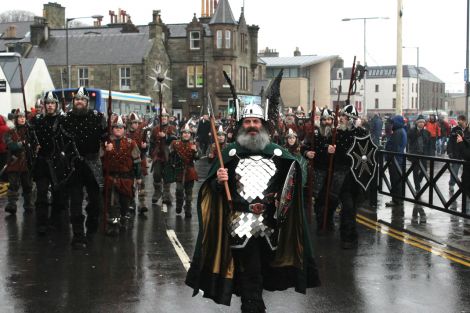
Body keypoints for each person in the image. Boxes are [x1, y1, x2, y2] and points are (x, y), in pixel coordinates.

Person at [185, 104, 320, 313]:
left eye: (255, 121)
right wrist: (219, 182)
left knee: (261, 273)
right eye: (247, 122)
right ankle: (253, 307)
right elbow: (212, 190)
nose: (252, 126)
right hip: (240, 224)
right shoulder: (230, 153)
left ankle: (251, 300)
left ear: (263, 125)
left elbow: (293, 180)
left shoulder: (277, 153)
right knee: (252, 274)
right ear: (241, 126)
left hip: (270, 226)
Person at [59, 87, 107, 249]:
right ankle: (78, 235)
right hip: (74, 165)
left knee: (95, 203)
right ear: (74, 102)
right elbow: (58, 140)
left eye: (83, 100)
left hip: (92, 163)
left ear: (87, 102)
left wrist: (107, 142)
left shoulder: (97, 117)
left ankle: (91, 229)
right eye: (77, 99)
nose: (79, 102)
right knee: (75, 202)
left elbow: (105, 135)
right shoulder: (65, 119)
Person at [31, 91, 67, 234]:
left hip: (58, 162)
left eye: (52, 103)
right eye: (48, 103)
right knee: (41, 194)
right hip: (42, 162)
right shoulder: (38, 120)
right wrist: (34, 144)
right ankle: (41, 223)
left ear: (56, 105)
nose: (50, 106)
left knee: (58, 194)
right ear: (44, 105)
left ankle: (56, 221)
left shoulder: (63, 120)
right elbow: (30, 135)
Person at [102, 115, 142, 236]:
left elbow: (137, 161)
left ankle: (124, 219)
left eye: (120, 127)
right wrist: (105, 151)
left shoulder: (131, 143)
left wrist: (138, 176)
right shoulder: (106, 143)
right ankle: (113, 225)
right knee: (113, 203)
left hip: (126, 178)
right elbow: (100, 160)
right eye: (115, 127)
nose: (118, 129)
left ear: (124, 129)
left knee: (125, 203)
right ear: (112, 129)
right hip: (112, 177)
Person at [4, 111, 35, 215]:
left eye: (23, 117)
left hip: (27, 162)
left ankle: (28, 205)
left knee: (27, 185)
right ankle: (12, 205)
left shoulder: (30, 130)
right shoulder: (10, 132)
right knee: (13, 185)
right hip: (14, 162)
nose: (22, 119)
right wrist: (20, 144)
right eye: (20, 117)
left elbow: (35, 143)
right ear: (16, 119)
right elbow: (10, 145)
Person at [168, 124, 201, 218]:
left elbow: (198, 157)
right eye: (184, 133)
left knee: (189, 192)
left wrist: (195, 151)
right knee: (179, 190)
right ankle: (179, 205)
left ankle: (188, 209)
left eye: (188, 133)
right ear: (181, 134)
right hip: (179, 170)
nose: (186, 135)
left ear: (191, 134)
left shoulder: (194, 145)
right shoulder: (175, 143)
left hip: (190, 171)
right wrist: (172, 163)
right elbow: (170, 156)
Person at [149, 109, 177, 206]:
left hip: (168, 155)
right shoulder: (155, 129)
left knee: (167, 175)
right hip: (158, 155)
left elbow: (174, 139)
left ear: (168, 118)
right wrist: (151, 153)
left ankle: (166, 195)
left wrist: (165, 136)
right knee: (156, 174)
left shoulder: (172, 128)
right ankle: (157, 192)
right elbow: (151, 142)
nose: (164, 118)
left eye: (165, 117)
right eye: (162, 117)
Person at [407, 115, 431, 223]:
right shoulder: (412, 130)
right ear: (417, 123)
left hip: (424, 154)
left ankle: (419, 182)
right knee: (415, 171)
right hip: (415, 154)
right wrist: (418, 132)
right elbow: (411, 138)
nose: (421, 124)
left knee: (424, 170)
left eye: (423, 122)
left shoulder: (427, 132)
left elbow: (428, 142)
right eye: (420, 122)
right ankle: (417, 187)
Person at [126, 112, 149, 214]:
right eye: (132, 123)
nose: (134, 124)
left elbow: (146, 145)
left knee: (141, 183)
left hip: (141, 160)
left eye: (136, 122)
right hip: (129, 162)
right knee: (130, 183)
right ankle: (131, 203)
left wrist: (145, 146)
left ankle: (142, 203)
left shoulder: (142, 133)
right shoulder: (125, 134)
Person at [385, 115, 407, 208]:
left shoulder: (398, 132)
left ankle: (396, 200)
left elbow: (394, 147)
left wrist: (389, 158)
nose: (391, 124)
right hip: (398, 159)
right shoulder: (401, 131)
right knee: (398, 180)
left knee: (395, 180)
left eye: (393, 122)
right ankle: (399, 199)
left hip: (395, 160)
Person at [448, 115, 469, 192]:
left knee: (466, 173)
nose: (458, 121)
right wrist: (449, 151)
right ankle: (451, 185)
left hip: (466, 154)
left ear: (464, 121)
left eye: (459, 120)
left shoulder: (468, 130)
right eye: (458, 120)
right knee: (455, 170)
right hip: (457, 154)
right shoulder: (454, 129)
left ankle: (465, 187)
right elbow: (450, 141)